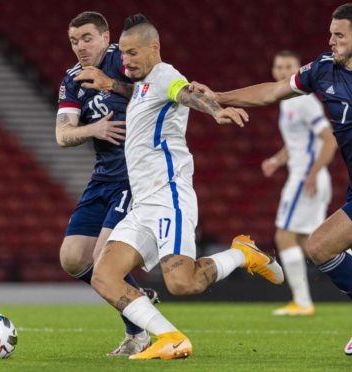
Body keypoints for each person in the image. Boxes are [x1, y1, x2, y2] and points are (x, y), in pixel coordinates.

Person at [191, 3, 352, 361]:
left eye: (338, 35)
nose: (331, 40)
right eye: (330, 33)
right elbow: (273, 91)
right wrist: (218, 96)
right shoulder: (323, 69)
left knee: (319, 246)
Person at [75, 14, 284, 360]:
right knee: (104, 276)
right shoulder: (142, 83)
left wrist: (215, 110)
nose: (124, 61)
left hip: (169, 198)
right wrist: (113, 86)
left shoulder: (167, 75)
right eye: (123, 54)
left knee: (182, 283)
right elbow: (142, 95)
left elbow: (185, 93)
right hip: (142, 205)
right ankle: (170, 337)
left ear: (154, 48)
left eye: (131, 53)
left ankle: (243, 254)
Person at [55, 11, 157, 357]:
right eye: (73, 41)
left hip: (135, 174)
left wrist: (112, 84)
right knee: (72, 258)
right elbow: (63, 134)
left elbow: (157, 94)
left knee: (102, 260)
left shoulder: (125, 60)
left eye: (86, 38)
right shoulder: (72, 80)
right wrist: (93, 130)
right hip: (103, 177)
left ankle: (139, 329)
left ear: (104, 36)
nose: (80, 47)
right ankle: (138, 307)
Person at [261, 51, 337, 316]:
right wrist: (277, 159)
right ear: (273, 71)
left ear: (298, 70)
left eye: (288, 67)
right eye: (278, 66)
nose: (283, 71)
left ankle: (302, 302)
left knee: (284, 236)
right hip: (306, 174)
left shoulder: (304, 100)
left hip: (306, 178)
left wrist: (313, 173)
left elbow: (329, 139)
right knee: (313, 242)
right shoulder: (288, 102)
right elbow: (297, 143)